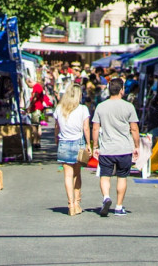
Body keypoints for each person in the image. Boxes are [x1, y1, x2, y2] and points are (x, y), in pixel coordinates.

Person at [92, 78, 140, 217]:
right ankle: (119, 207)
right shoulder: (128, 107)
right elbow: (134, 128)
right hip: (124, 148)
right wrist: (136, 146)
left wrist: (95, 145)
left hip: (107, 148)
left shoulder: (101, 106)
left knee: (105, 176)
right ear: (121, 90)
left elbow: (95, 128)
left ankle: (106, 197)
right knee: (122, 177)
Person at [54, 84, 92, 216]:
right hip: (78, 142)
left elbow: (57, 127)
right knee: (77, 174)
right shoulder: (83, 109)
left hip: (64, 142)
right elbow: (86, 128)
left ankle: (70, 204)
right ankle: (77, 203)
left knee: (67, 176)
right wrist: (89, 143)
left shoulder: (59, 109)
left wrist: (56, 139)